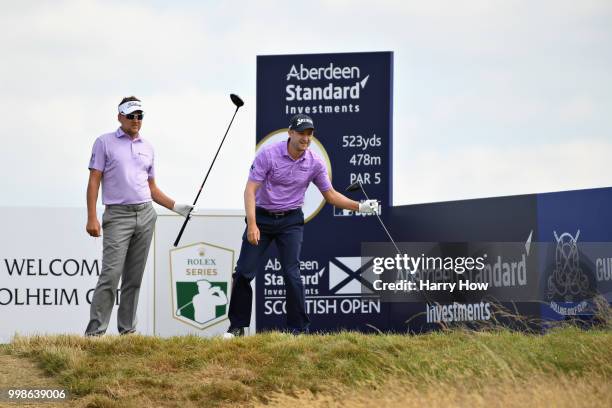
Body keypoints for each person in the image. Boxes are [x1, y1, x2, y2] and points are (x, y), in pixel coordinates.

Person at [224, 114, 379, 338]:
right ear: (290, 133)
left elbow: (331, 195)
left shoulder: (315, 162)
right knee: (243, 272)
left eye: (309, 134)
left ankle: (298, 330)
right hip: (262, 218)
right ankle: (237, 327)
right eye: (301, 133)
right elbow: (250, 190)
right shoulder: (269, 155)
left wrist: (361, 207)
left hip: (290, 221)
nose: (305, 138)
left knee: (292, 273)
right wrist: (252, 224)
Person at [85, 96, 194, 336]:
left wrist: (176, 206)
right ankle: (95, 334)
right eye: (131, 115)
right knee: (111, 275)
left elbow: (151, 188)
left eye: (140, 116)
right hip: (117, 216)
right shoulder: (104, 143)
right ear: (120, 116)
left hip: (145, 214)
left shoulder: (148, 147)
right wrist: (92, 217)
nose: (136, 120)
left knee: (133, 278)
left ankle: (128, 332)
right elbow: (94, 181)